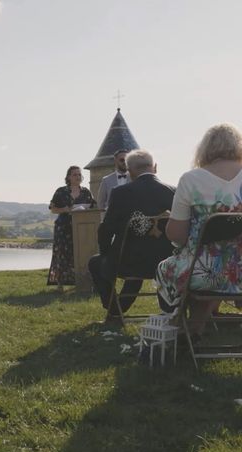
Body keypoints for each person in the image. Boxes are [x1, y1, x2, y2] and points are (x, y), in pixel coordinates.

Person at [158, 123, 242, 336]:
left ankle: (189, 328)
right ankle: (197, 325)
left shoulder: (191, 180)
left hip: (204, 272)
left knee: (168, 268)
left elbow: (176, 235)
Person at [88, 149, 175, 324]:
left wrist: (107, 254)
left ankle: (114, 311)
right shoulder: (174, 191)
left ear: (130, 172)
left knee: (95, 263)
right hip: (167, 263)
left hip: (128, 262)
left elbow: (106, 230)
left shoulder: (120, 193)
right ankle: (168, 311)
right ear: (155, 168)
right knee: (138, 262)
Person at [47, 166, 96, 291]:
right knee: (62, 254)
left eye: (79, 175)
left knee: (80, 254)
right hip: (63, 228)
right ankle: (60, 285)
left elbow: (93, 207)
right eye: (75, 175)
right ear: (68, 177)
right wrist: (65, 209)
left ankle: (82, 282)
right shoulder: (61, 191)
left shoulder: (86, 192)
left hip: (81, 228)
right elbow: (52, 209)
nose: (78, 177)